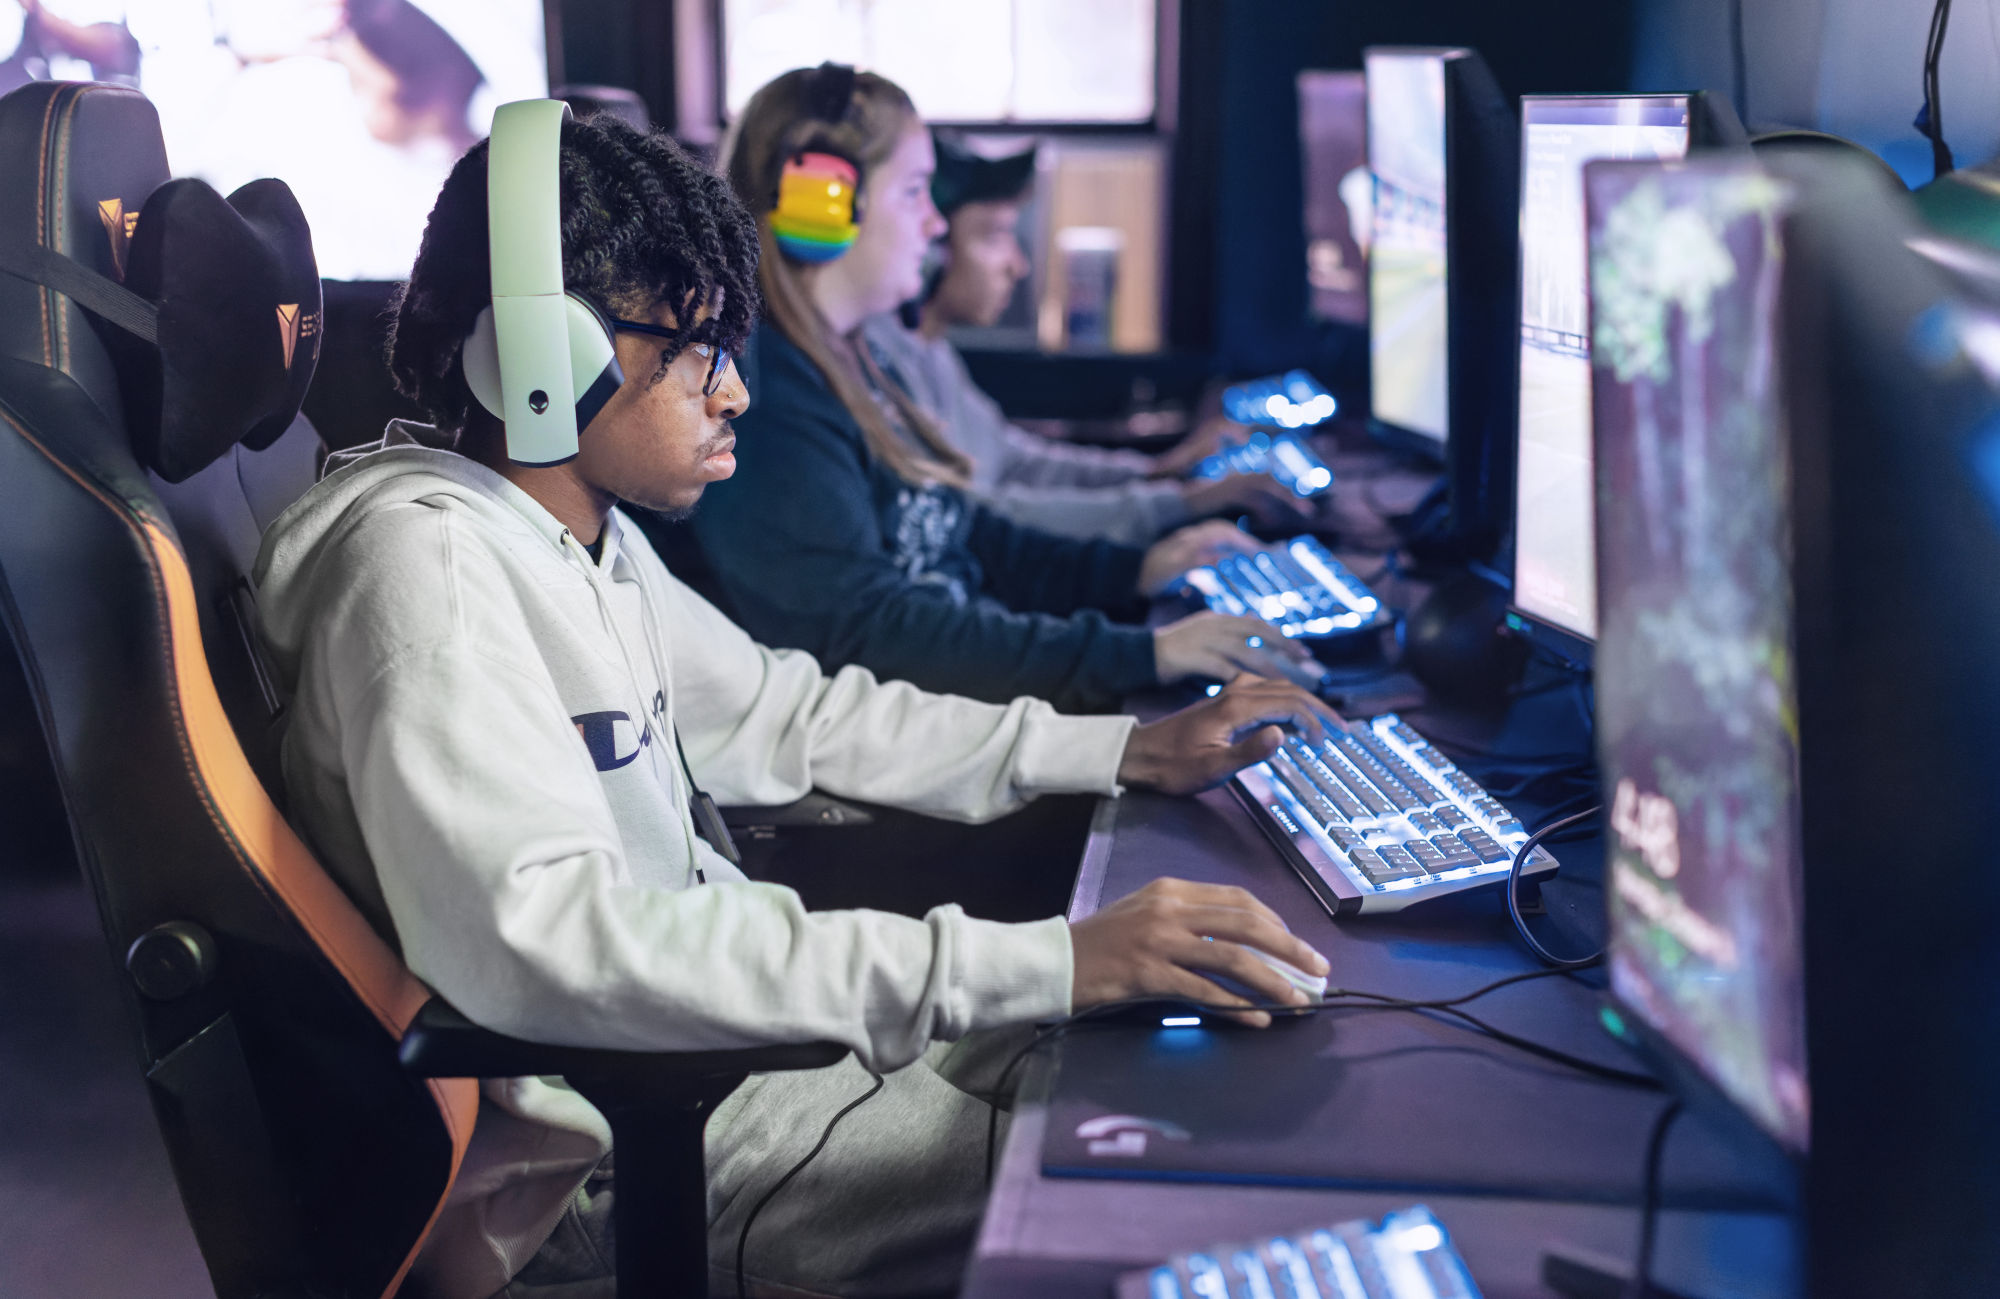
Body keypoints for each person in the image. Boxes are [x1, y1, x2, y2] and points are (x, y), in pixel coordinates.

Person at [254, 110, 1340, 1298]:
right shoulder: (430, 574)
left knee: (1180, 1055)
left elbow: (795, 715)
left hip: (710, 1068)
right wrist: (1051, 958)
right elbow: (549, 950)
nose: (734, 395)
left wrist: (1120, 749)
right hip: (624, 1156)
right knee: (1173, 1183)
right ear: (540, 357)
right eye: (694, 349)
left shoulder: (577, 543)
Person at [693, 66, 1323, 714]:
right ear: (819, 202)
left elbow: (970, 536)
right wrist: (1143, 654)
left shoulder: (853, 357)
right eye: (914, 192)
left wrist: (1130, 574)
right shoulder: (764, 398)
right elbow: (868, 636)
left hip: (964, 715)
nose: (936, 225)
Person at [860, 129, 1312, 546]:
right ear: (934, 253)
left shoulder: (929, 349)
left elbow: (1017, 462)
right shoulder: (880, 364)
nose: (1017, 265)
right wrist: (1181, 503)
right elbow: (978, 513)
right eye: (996, 237)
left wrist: (1155, 471)